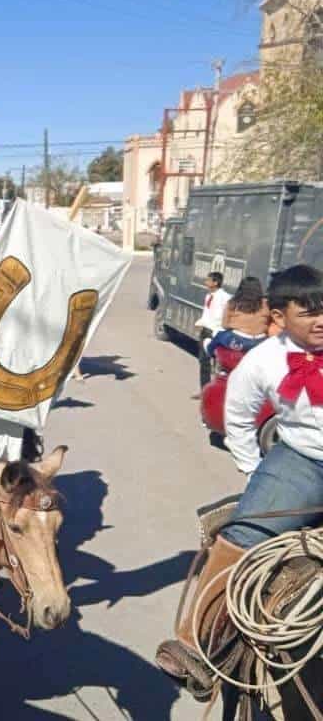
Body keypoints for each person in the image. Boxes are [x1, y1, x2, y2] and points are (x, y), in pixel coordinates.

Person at [156, 265, 323, 693]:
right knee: (243, 537)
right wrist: (255, 473)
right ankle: (195, 643)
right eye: (307, 313)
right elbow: (238, 418)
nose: (320, 320)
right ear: (280, 317)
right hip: (302, 461)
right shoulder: (264, 359)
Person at [205, 276, 272, 363]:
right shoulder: (266, 304)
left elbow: (224, 325)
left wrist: (235, 325)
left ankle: (209, 351)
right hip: (260, 341)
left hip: (238, 340)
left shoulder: (233, 303)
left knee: (219, 336)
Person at [194, 271, 231, 390]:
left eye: (208, 280)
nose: (206, 282)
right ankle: (204, 390)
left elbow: (227, 314)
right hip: (205, 330)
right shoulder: (208, 296)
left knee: (218, 364)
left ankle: (216, 391)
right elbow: (207, 313)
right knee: (203, 361)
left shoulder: (225, 297)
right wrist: (200, 323)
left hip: (216, 333)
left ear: (215, 282)